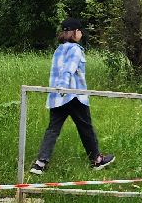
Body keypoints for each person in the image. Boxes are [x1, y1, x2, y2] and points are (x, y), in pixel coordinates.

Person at [29, 19, 115, 175]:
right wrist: (64, 87)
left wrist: (59, 90)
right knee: (85, 127)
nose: (81, 33)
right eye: (80, 31)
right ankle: (97, 160)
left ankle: (39, 164)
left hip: (57, 97)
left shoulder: (59, 49)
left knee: (53, 129)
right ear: (75, 32)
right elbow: (68, 70)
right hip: (73, 95)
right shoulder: (75, 49)